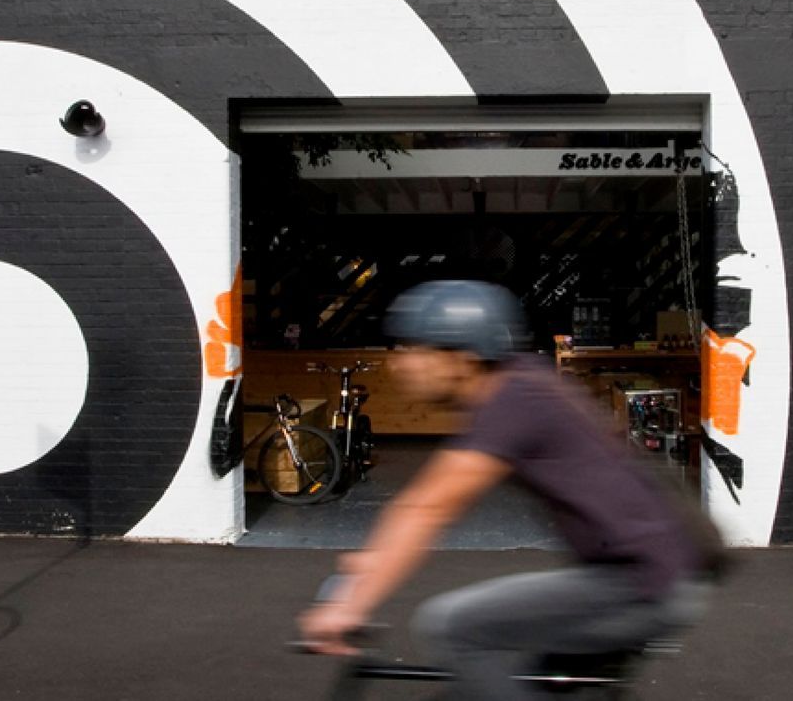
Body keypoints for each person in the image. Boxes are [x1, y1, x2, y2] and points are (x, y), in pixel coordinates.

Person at [297, 280, 721, 698]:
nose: (400, 364)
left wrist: (347, 606)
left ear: (461, 358)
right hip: (651, 572)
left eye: (415, 349)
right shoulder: (523, 381)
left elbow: (428, 507)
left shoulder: (513, 402)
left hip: (641, 584)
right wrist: (372, 561)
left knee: (455, 626)